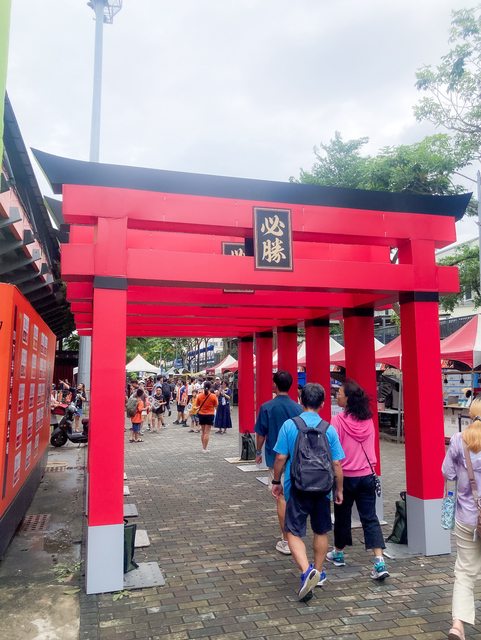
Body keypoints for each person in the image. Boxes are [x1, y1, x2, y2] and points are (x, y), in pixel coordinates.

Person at [271, 383, 344, 600]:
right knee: (321, 531)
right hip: (323, 489)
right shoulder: (328, 429)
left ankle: (306, 571)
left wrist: (276, 480)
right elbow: (337, 463)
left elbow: (280, 457)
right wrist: (339, 489)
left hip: (296, 487)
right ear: (323, 403)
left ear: (301, 401)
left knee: (292, 531)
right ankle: (318, 572)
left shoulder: (289, 425)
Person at [327, 380, 389, 581]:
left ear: (348, 399)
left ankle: (338, 552)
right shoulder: (368, 420)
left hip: (345, 477)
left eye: (340, 393)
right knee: (370, 518)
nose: (337, 395)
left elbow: (333, 453)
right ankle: (379, 561)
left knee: (342, 516)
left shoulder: (337, 421)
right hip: (367, 476)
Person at [443, 396, 481, 640]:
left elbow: (447, 473)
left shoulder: (459, 439)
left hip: (467, 516)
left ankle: (457, 625)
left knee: (465, 571)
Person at [254, 370, 303, 555]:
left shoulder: (267, 407)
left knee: (280, 497)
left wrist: (258, 452)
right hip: (296, 459)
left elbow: (261, 433)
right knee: (294, 497)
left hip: (275, 458)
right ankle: (296, 533)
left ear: (275, 384)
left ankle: (286, 539)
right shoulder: (298, 408)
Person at [197, 381, 218, 452]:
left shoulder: (199, 395)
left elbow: (197, 404)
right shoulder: (213, 396)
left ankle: (203, 447)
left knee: (203, 432)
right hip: (210, 414)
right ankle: (205, 448)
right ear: (210, 388)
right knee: (207, 432)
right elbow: (216, 405)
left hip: (201, 414)